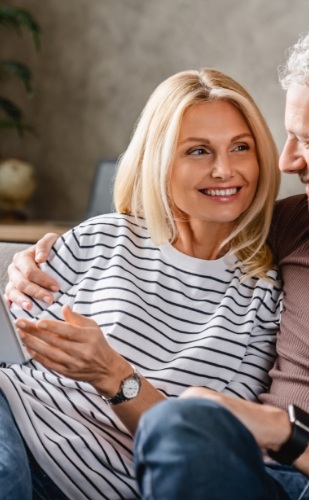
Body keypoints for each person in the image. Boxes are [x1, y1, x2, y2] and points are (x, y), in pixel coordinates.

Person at [7, 13, 309, 500]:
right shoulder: (306, 222)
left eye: (305, 138)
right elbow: (190, 215)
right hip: (238, 473)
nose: (285, 161)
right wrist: (36, 259)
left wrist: (286, 432)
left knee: (181, 425)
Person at [0, 68, 282, 499]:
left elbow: (205, 444)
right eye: (199, 151)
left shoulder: (262, 296)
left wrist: (113, 375)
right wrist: (14, 281)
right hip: (14, 419)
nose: (225, 170)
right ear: (160, 159)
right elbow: (13, 331)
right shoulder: (104, 237)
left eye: (240, 147)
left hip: (97, 484)